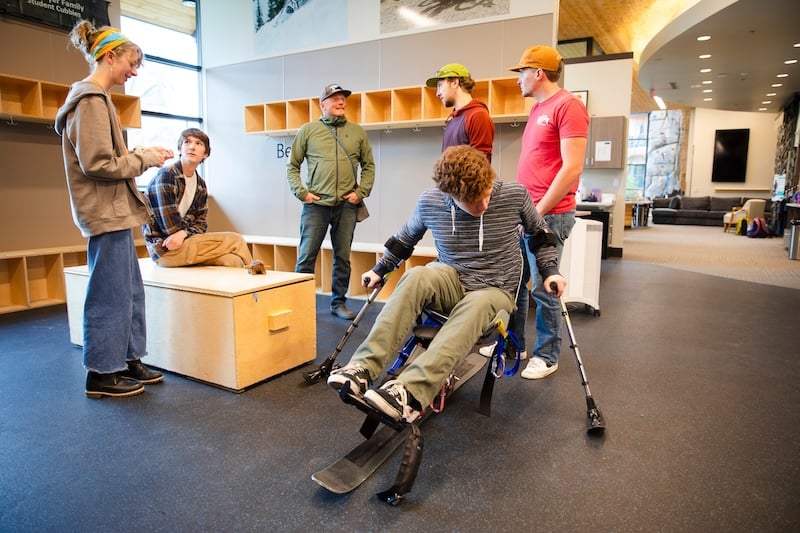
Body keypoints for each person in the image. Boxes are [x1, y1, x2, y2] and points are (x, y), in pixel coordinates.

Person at [327, 145, 566, 423]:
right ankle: (361, 369)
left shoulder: (514, 194)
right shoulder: (431, 202)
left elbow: (540, 234)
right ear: (450, 196)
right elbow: (404, 240)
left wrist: (550, 271)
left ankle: (409, 392)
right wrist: (380, 269)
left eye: (487, 193)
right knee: (417, 274)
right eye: (474, 202)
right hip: (453, 278)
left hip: (496, 290)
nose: (485, 204)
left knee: (478, 302)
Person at [55, 20, 174, 398]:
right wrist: (144, 158)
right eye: (131, 63)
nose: (134, 72)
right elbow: (98, 164)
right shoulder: (89, 100)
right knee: (109, 293)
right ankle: (102, 372)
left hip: (117, 212)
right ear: (110, 57)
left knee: (128, 291)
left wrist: (141, 156)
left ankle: (126, 359)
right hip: (104, 212)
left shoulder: (99, 100)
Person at [504, 44, 589, 380]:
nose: (518, 80)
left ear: (538, 73)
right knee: (514, 280)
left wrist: (536, 213)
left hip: (548, 215)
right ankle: (514, 344)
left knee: (544, 285)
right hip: (529, 211)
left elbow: (572, 168)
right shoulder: (538, 108)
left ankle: (547, 355)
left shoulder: (569, 106)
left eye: (522, 72)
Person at [287, 83, 376, 320]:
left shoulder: (357, 132)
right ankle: (299, 306)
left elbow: (369, 166)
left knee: (342, 257)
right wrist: (301, 192)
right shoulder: (308, 130)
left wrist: (361, 192)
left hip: (346, 206)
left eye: (343, 99)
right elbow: (292, 166)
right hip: (315, 206)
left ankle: (338, 303)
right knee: (306, 257)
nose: (341, 102)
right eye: (334, 98)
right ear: (322, 104)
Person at [142, 128, 255, 269]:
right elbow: (170, 229)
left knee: (232, 260)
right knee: (236, 240)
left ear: (206, 154)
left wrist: (184, 232)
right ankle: (256, 277)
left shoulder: (200, 184)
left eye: (198, 143)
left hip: (187, 243)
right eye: (187, 142)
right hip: (165, 250)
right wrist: (188, 226)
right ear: (179, 148)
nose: (191, 147)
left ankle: (240, 289)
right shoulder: (166, 176)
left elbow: (202, 224)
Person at [425, 63, 495, 161]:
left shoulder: (478, 116)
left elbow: (480, 168)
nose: (437, 93)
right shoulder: (452, 118)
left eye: (440, 86)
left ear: (454, 82)